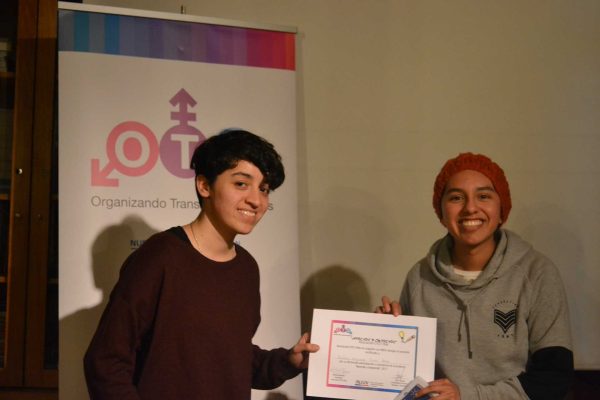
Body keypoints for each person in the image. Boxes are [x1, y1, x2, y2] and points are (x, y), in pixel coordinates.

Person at [84, 129, 319, 399]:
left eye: (264, 189)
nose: (256, 200)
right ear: (204, 185)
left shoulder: (246, 268)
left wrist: (287, 361)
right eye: (241, 184)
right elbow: (105, 362)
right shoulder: (159, 257)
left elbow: (232, 360)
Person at [377, 152, 573, 400]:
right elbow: (408, 376)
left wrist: (467, 396)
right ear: (441, 212)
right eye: (456, 198)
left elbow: (553, 380)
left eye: (484, 196)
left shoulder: (537, 273)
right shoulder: (419, 277)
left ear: (501, 210)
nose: (470, 208)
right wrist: (387, 337)